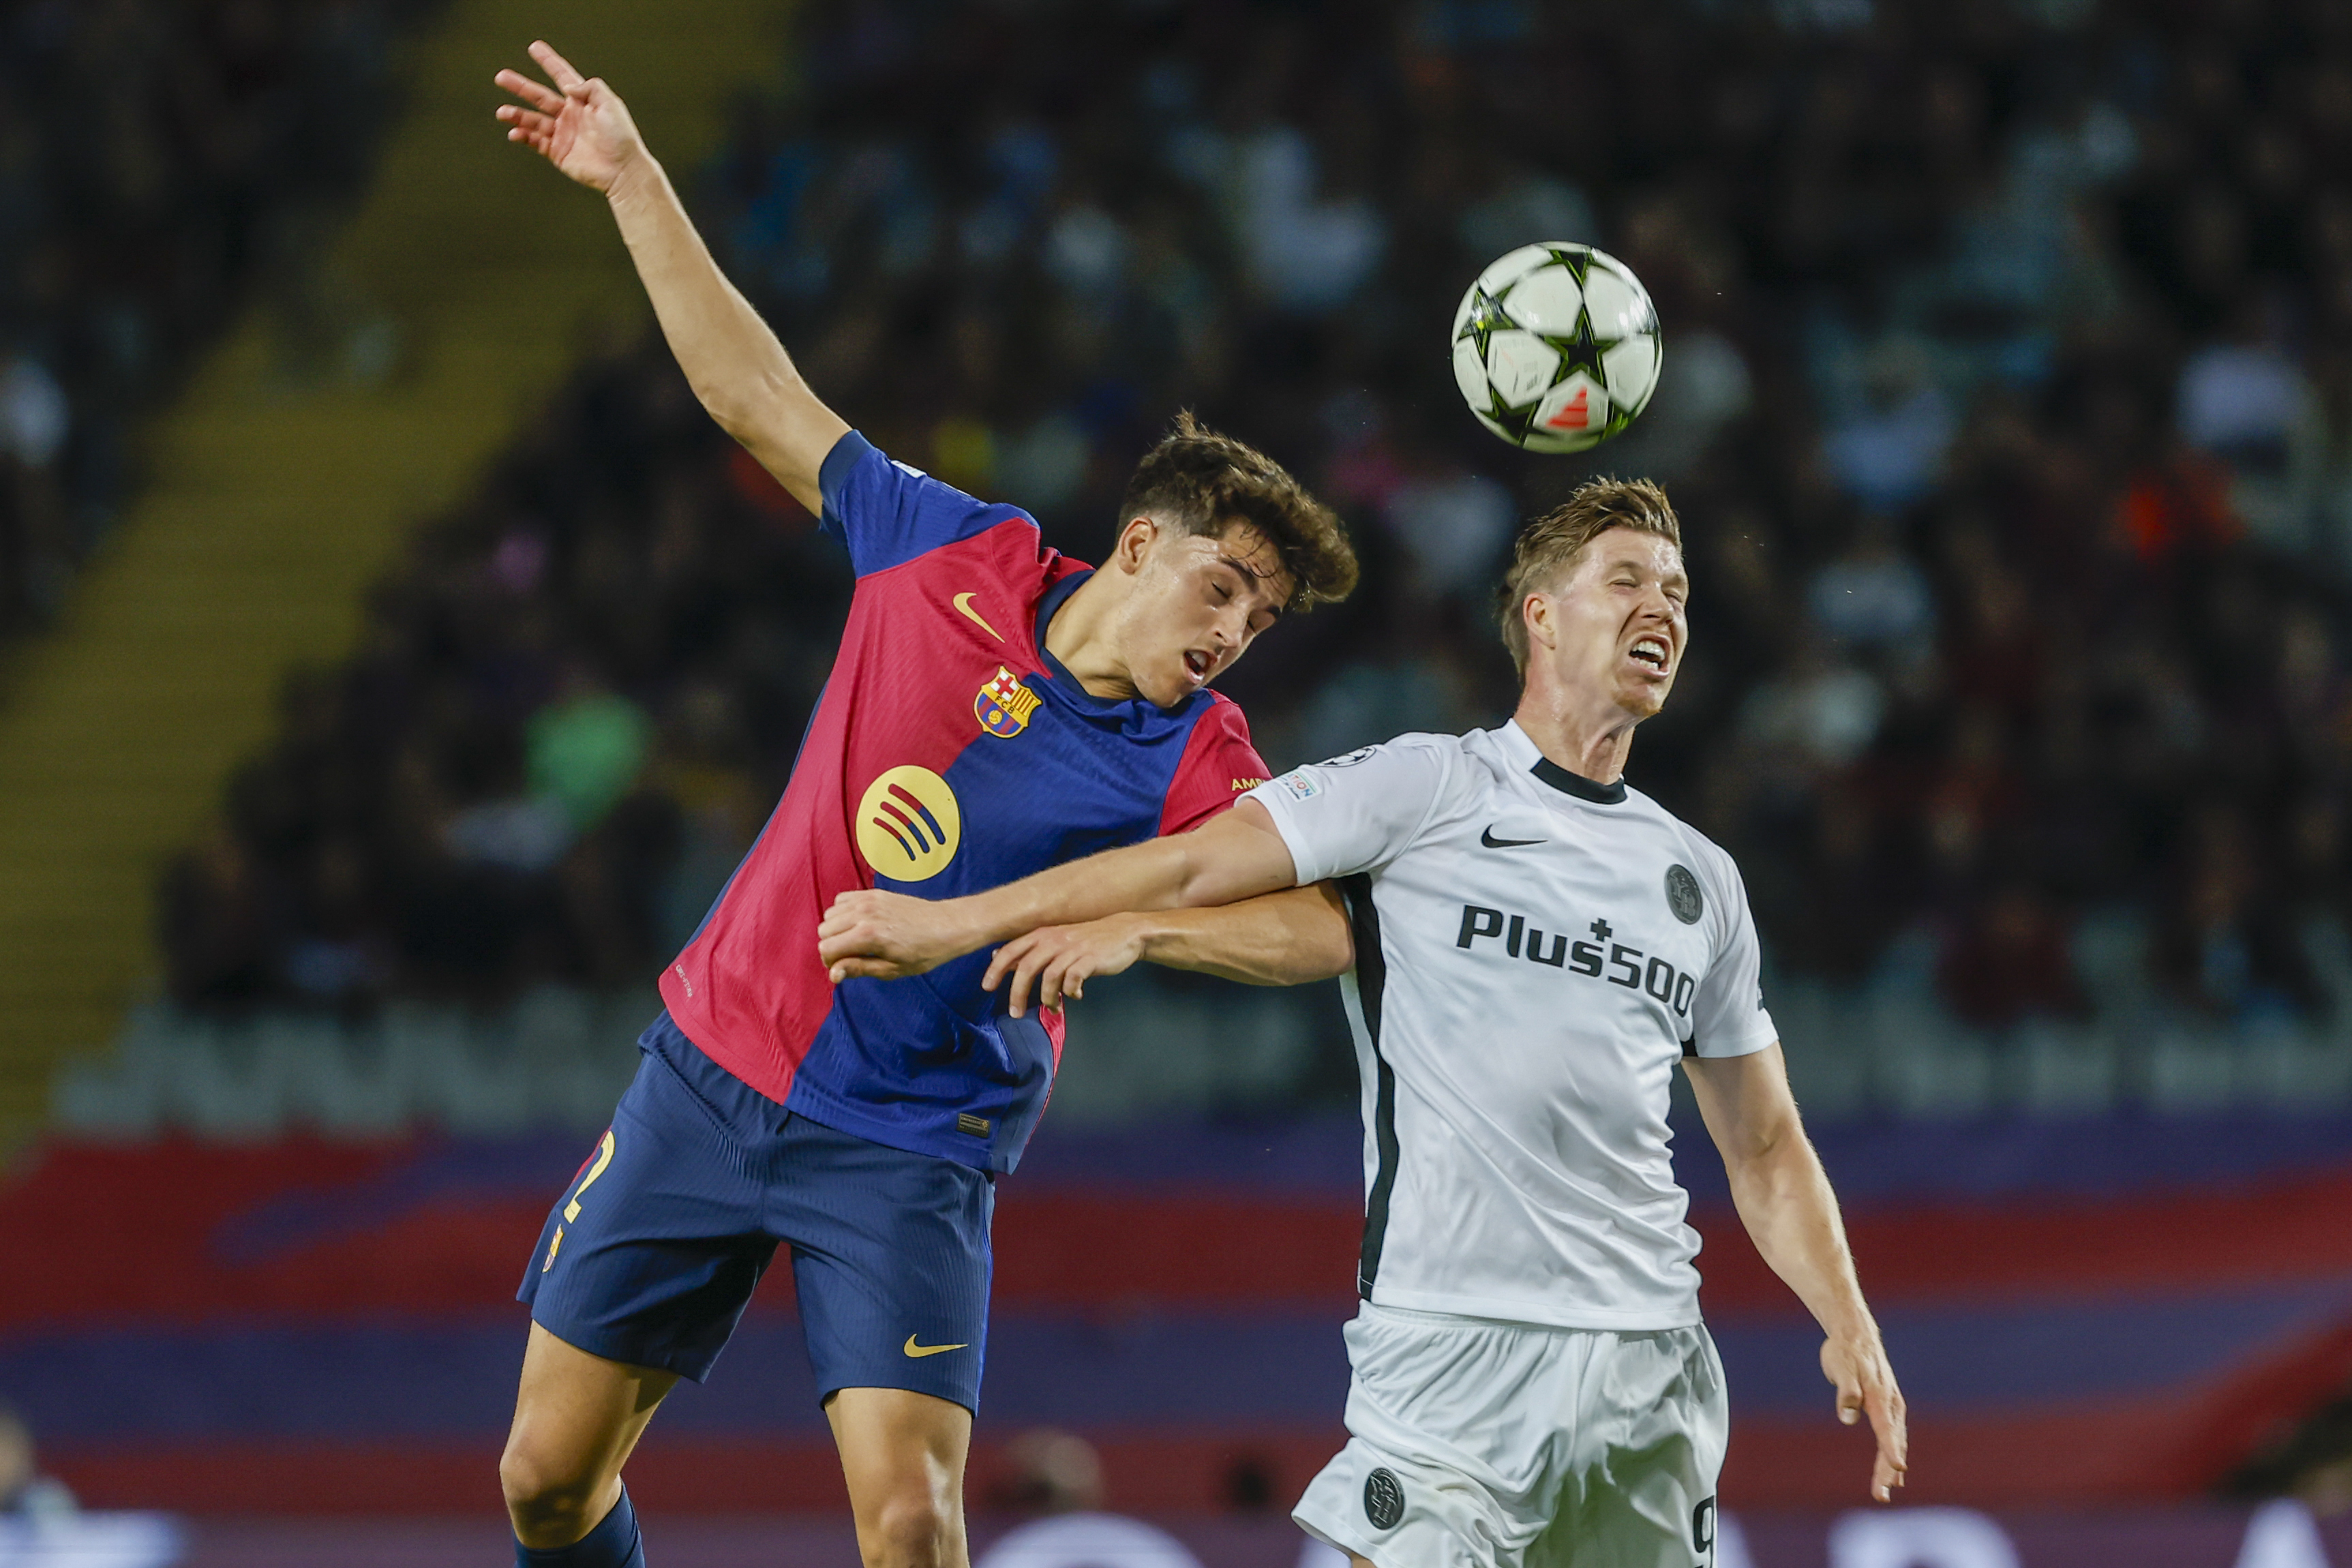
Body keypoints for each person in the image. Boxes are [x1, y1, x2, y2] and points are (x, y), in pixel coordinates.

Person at [490, 42, 1357, 1568]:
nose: (1233, 631)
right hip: (714, 1067)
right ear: (1139, 547)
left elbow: (1326, 926)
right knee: (544, 1485)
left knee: (912, 1521)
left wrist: (1146, 929)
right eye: (1222, 586)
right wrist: (631, 179)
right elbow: (755, 394)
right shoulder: (950, 552)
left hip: (908, 1145)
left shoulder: (1199, 752)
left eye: (1262, 616)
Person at [820, 477, 1908, 1567]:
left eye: (1675, 591)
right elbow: (1193, 861)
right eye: (1626, 581)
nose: (1661, 608)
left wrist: (1847, 1317)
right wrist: (985, 923)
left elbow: (1764, 1145)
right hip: (1450, 1349)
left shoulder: (1699, 880)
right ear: (1541, 614)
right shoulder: (1428, 787)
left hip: (1651, 1366)